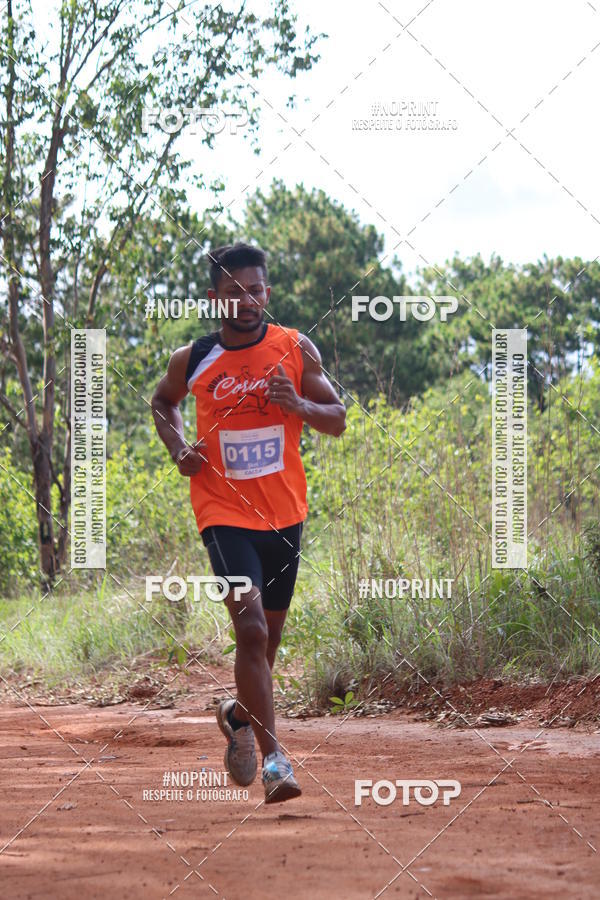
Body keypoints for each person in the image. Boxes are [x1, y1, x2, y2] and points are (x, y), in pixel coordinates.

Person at [151, 242, 346, 803]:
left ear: (268, 293)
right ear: (216, 299)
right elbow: (163, 403)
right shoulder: (192, 359)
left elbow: (337, 420)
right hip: (222, 510)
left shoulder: (293, 348)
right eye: (234, 292)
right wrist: (177, 444)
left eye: (256, 289)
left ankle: (239, 715)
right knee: (252, 630)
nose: (247, 300)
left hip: (284, 513)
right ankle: (276, 761)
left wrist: (300, 407)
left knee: (268, 641)